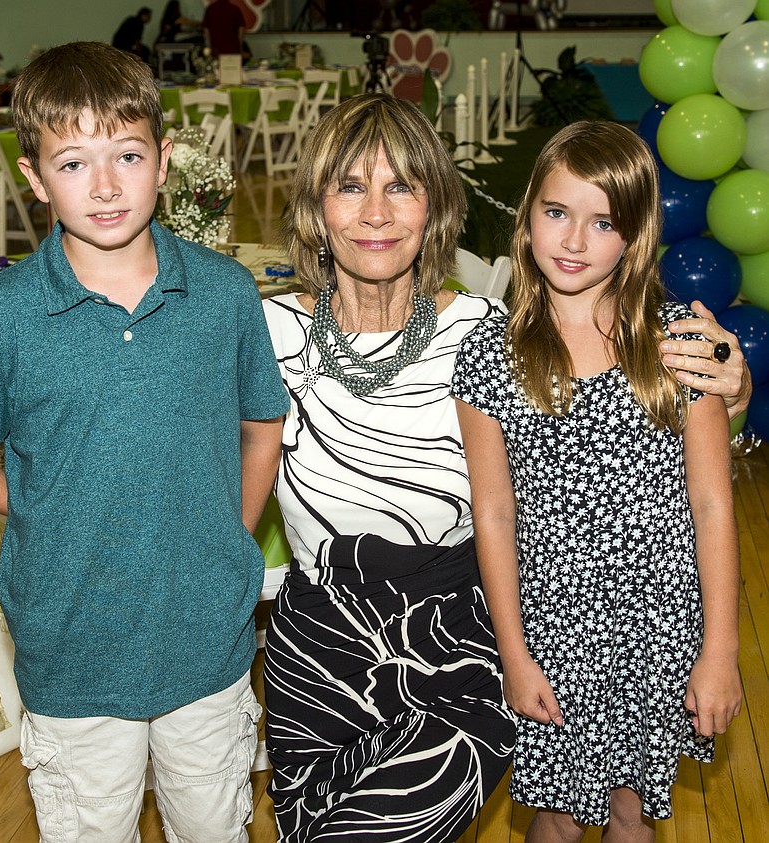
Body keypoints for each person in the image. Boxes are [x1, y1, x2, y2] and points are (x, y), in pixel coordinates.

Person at [259, 95, 750, 843]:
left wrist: (732, 376)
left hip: (464, 629)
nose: (376, 212)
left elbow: (695, 461)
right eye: (351, 186)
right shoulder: (264, 330)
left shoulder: (479, 330)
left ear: (436, 206)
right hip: (331, 635)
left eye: (401, 187)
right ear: (316, 204)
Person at [0, 40, 288, 843]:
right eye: (73, 162)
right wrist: (48, 508)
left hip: (206, 636)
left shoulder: (224, 293)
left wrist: (232, 533)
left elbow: (264, 424)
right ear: (33, 178)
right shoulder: (0, 318)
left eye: (127, 154)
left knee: (215, 823)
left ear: (163, 160)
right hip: (71, 645)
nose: (104, 185)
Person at [452, 120, 742, 842]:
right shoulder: (491, 353)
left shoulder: (680, 344)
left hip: (657, 626)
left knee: (629, 808)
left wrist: (720, 650)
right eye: (558, 213)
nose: (574, 241)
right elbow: (493, 514)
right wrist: (514, 654)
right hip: (551, 627)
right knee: (553, 811)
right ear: (528, 219)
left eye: (603, 221)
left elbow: (711, 505)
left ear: (636, 233)